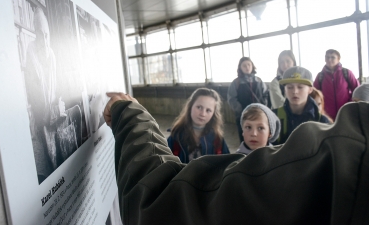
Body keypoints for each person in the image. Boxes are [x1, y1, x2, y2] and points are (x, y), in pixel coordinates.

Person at [104, 92, 369, 224]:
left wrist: (129, 116)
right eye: (199, 107)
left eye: (209, 109)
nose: (254, 134)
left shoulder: (342, 156)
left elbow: (163, 201)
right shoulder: (178, 134)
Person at [24, 7, 82, 183]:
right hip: (40, 124)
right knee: (45, 174)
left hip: (52, 119)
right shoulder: (31, 53)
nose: (44, 39)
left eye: (47, 34)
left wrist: (59, 104)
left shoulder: (52, 55)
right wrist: (54, 112)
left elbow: (56, 90)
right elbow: (37, 104)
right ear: (35, 33)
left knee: (77, 112)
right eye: (40, 34)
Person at [167, 88, 229, 163]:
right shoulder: (175, 137)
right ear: (190, 107)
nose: (202, 114)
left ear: (213, 114)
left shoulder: (218, 140)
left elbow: (227, 164)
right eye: (199, 107)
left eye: (208, 110)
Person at [273, 66, 330, 145]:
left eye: (300, 87)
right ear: (284, 90)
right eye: (289, 87)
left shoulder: (321, 121)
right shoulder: (274, 117)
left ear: (310, 90)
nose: (295, 91)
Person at [228, 57, 268, 143]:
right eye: (244, 65)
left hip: (259, 115)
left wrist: (264, 108)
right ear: (240, 68)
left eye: (249, 65)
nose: (247, 67)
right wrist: (241, 110)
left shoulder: (259, 80)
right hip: (243, 116)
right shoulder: (236, 83)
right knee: (245, 139)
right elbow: (232, 99)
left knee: (260, 138)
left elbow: (265, 95)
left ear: (252, 66)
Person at [314, 49, 359, 120]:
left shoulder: (347, 73)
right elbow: (315, 94)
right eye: (327, 57)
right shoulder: (320, 76)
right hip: (327, 115)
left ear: (338, 59)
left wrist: (351, 103)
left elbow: (357, 90)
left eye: (332, 57)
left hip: (346, 112)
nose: (329, 59)